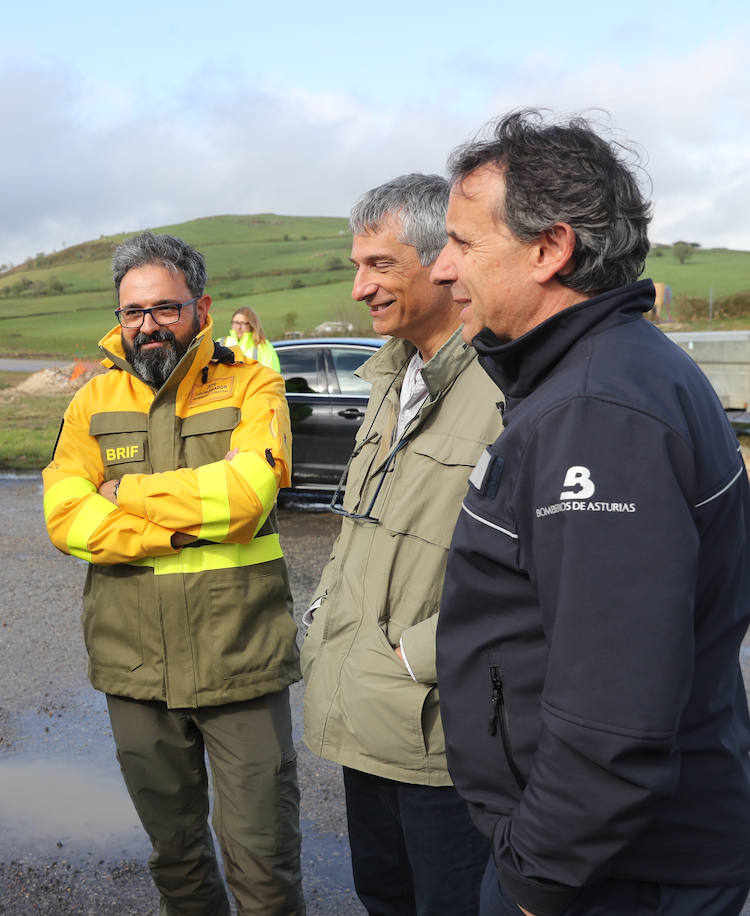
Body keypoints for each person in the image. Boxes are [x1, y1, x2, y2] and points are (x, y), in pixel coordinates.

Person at [430, 110, 750, 916]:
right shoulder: (604, 375)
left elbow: (616, 703)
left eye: (464, 243)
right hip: (615, 861)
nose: (441, 269)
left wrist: (536, 879)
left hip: (614, 877)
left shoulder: (598, 410)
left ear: (551, 249)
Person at [43, 231, 304, 914]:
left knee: (264, 863)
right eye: (134, 312)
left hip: (241, 662)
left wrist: (124, 499)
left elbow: (248, 498)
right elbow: (66, 520)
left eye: (165, 308)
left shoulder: (253, 383)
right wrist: (195, 511)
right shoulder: (91, 403)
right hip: (136, 669)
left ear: (200, 306)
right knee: (178, 862)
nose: (148, 326)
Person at [299, 173, 500, 915]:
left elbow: (538, 572)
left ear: (442, 261)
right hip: (367, 721)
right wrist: (326, 622)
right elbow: (359, 537)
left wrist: (418, 656)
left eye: (379, 265)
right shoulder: (391, 377)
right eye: (358, 267)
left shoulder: (504, 385)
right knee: (385, 898)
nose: (360, 288)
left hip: (442, 737)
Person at [222, 305, 279, 372]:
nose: (238, 327)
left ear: (252, 325)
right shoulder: (222, 342)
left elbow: (272, 375)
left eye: (243, 323)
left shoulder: (263, 346)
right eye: (235, 323)